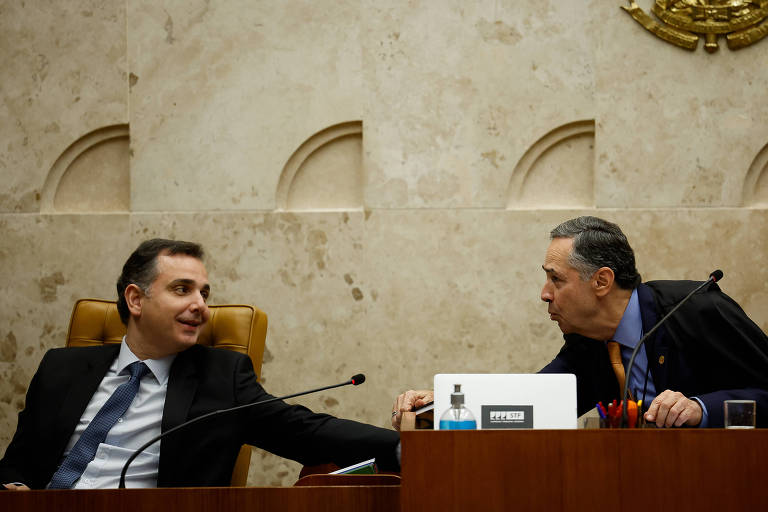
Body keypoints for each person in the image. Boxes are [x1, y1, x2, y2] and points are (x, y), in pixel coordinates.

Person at [0, 239, 399, 490]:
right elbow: (18, 459)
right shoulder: (61, 368)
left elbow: (306, 431)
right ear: (136, 300)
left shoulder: (221, 378)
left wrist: (409, 446)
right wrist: (14, 483)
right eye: (182, 290)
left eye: (204, 293)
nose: (201, 306)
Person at [392, 216, 768, 429]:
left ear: (601, 281)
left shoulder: (694, 309)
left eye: (556, 279)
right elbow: (532, 403)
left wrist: (701, 408)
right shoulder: (589, 342)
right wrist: (441, 406)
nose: (544, 293)